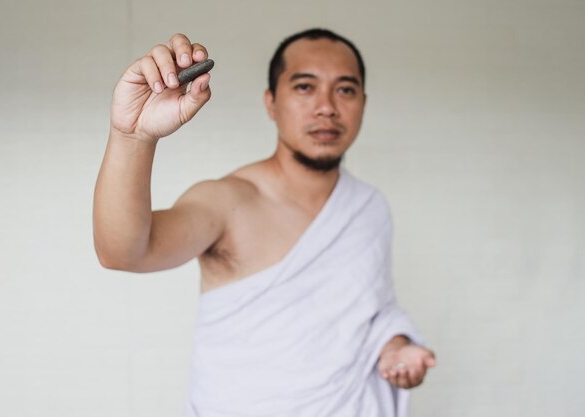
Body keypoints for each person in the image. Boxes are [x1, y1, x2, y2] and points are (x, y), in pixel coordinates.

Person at [94, 29, 436, 417]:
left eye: (345, 90)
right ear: (271, 102)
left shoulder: (369, 208)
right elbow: (123, 252)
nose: (326, 107)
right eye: (305, 87)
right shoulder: (228, 201)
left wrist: (396, 347)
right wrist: (133, 137)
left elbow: (374, 316)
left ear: (363, 103)